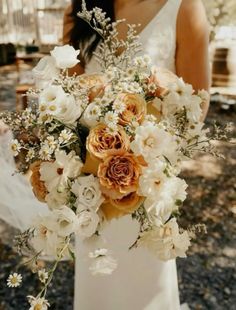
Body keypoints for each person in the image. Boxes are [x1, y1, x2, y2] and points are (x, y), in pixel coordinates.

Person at [62, 1, 210, 309]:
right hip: (92, 191)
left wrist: (145, 153)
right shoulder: (78, 8)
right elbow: (66, 95)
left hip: (148, 185)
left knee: (146, 286)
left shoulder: (185, 7)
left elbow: (198, 106)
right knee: (99, 286)